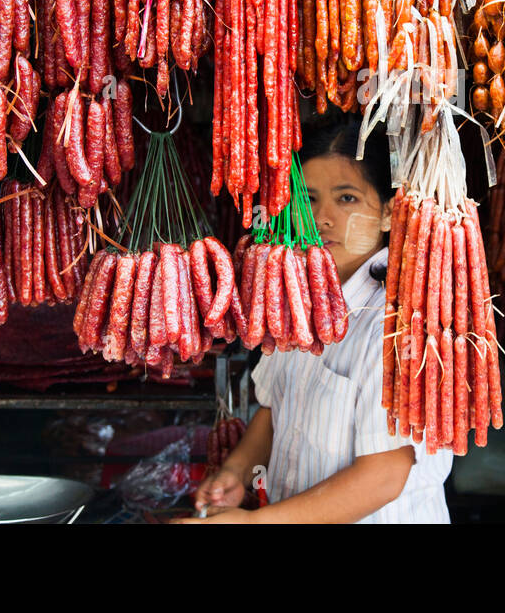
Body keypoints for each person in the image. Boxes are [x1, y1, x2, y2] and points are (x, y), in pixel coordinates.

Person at [183, 119, 453, 523]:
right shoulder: (297, 302)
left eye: (347, 199)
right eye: (307, 199)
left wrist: (254, 522)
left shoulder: (401, 324)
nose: (322, 218)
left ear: (387, 213)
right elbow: (275, 411)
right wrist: (235, 473)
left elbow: (383, 476)